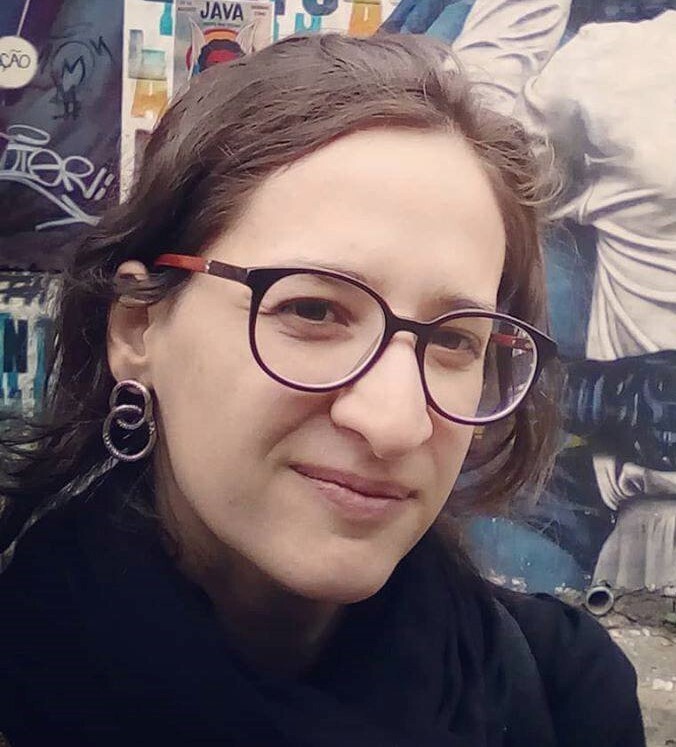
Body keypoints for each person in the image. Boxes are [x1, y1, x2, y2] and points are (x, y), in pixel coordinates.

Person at [0, 33, 645, 746]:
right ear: (139, 327)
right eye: (312, 310)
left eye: (455, 340)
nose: (396, 422)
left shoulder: (561, 699)